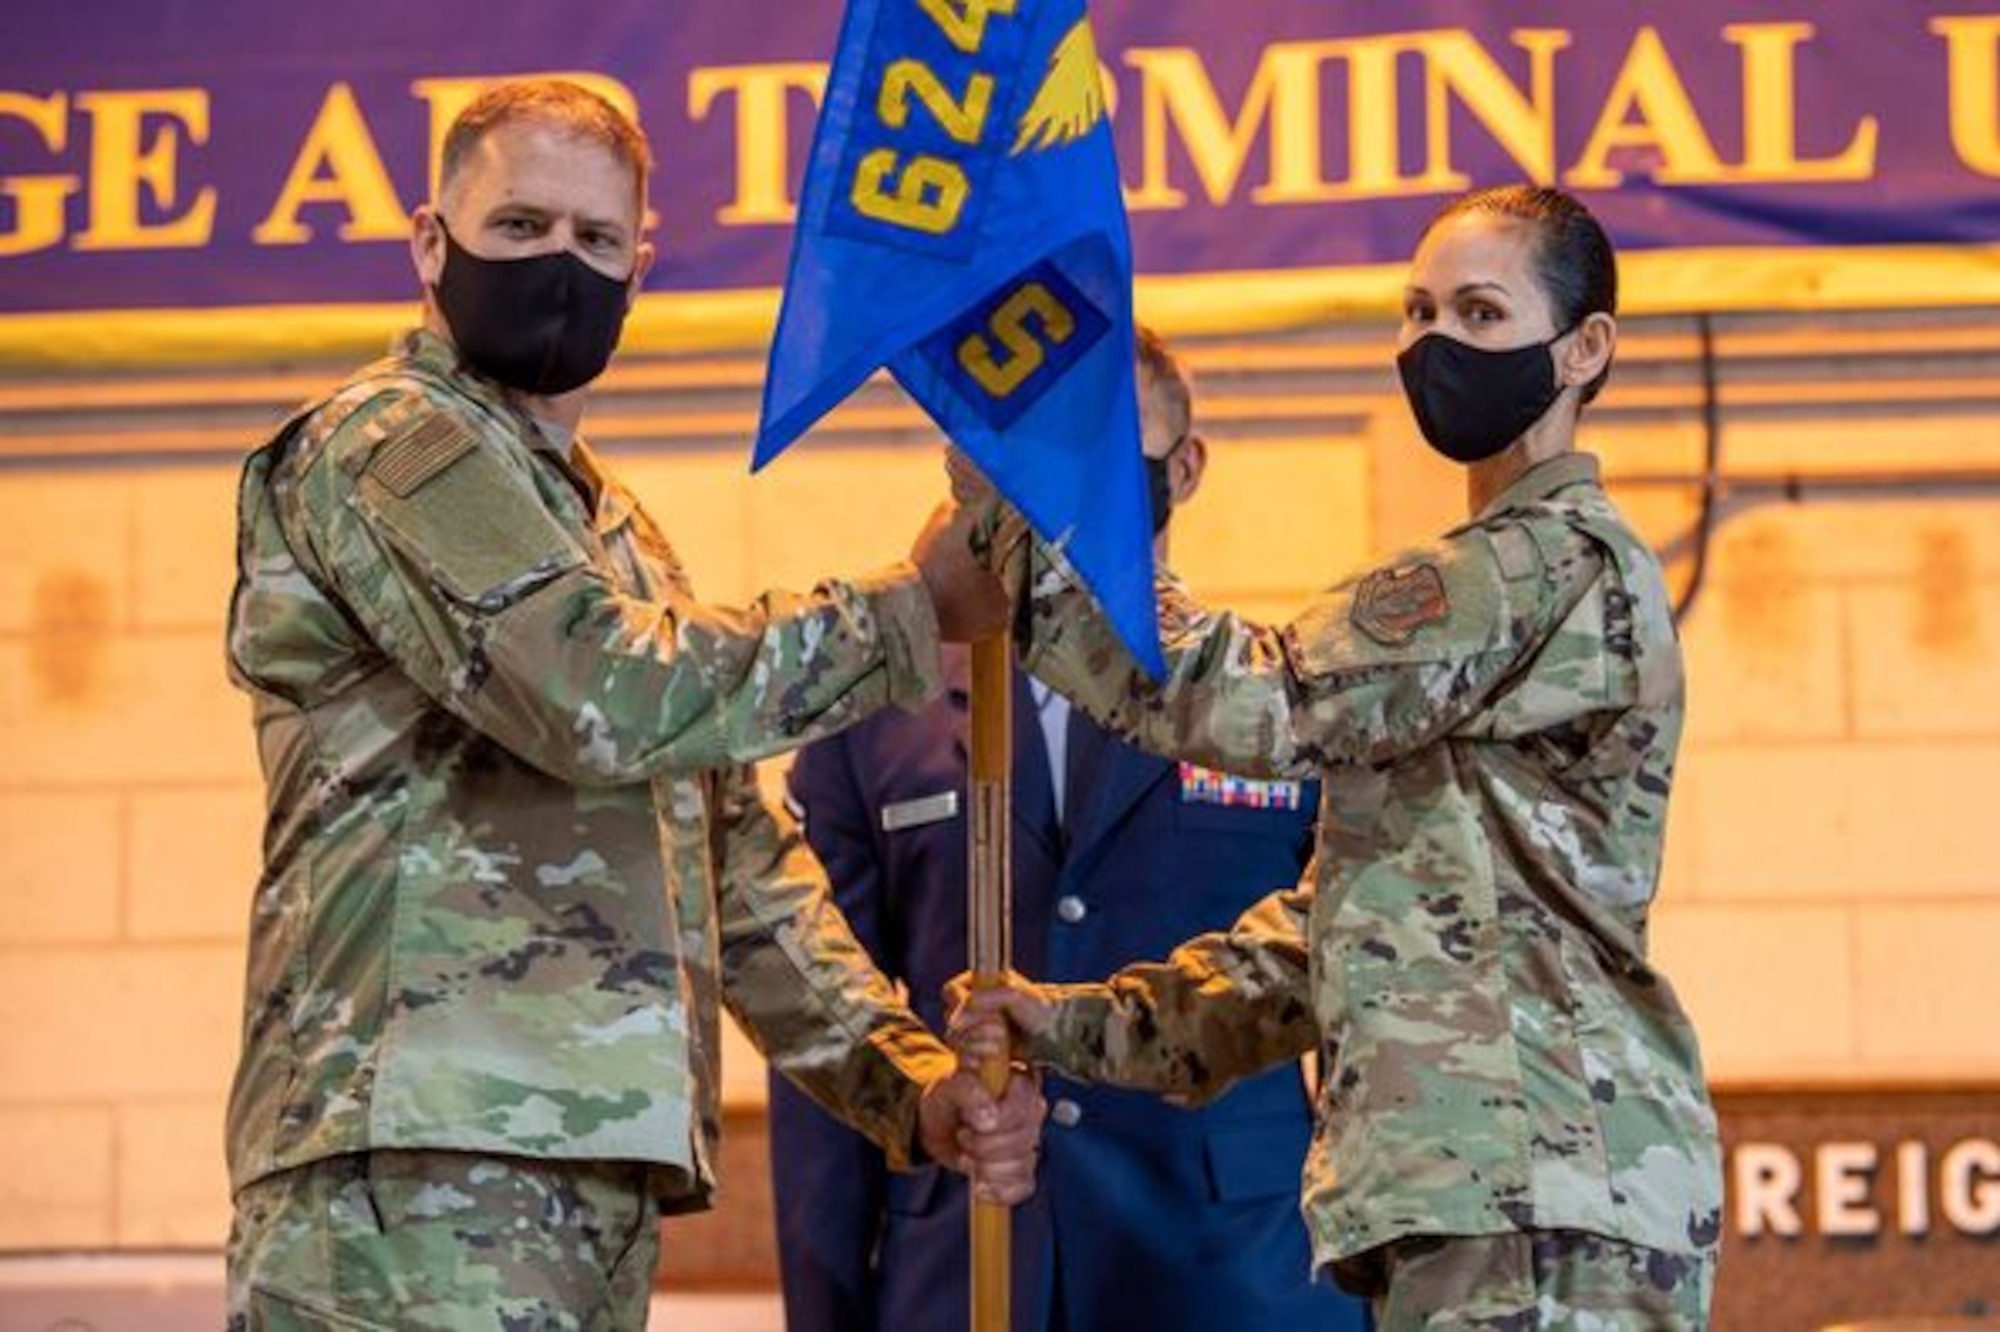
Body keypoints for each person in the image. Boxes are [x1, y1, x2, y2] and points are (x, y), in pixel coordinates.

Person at [222, 78, 1039, 1331]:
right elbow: (595, 690)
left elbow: (735, 864)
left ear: (641, 263)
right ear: (431, 245)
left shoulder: (616, 536)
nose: (560, 263)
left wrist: (907, 1083)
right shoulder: (388, 445)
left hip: (586, 1165)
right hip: (416, 1161)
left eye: (595, 240)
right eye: (519, 228)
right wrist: (906, 611)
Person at [935, 185, 1724, 1329]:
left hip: (1537, 1193)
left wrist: (1029, 509)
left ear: (1583, 348)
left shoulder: (1533, 566)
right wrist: (1064, 1023)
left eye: (1479, 313)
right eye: (1414, 310)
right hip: (1488, 1191)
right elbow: (1327, 942)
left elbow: (1247, 695)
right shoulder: (1481, 606)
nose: (1433, 343)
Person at [767, 330, 1372, 1332]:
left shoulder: (1285, 705)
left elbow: (1355, 1012)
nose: (1072, 481)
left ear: (1183, 466)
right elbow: (821, 1030)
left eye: (1107, 443)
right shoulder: (870, 727)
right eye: (1044, 449)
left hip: (1239, 1276)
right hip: (966, 1271)